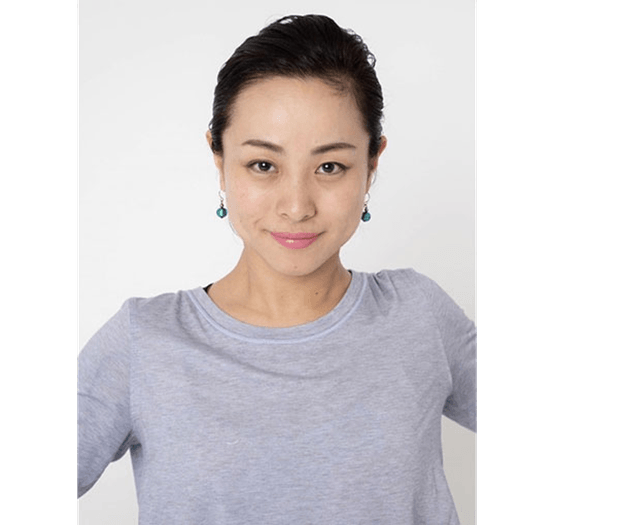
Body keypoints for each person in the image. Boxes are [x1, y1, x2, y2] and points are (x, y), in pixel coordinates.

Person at [77, 14, 476, 525]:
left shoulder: (418, 315)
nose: (296, 206)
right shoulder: (144, 343)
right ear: (219, 159)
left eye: (330, 166)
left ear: (372, 164)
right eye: (263, 165)